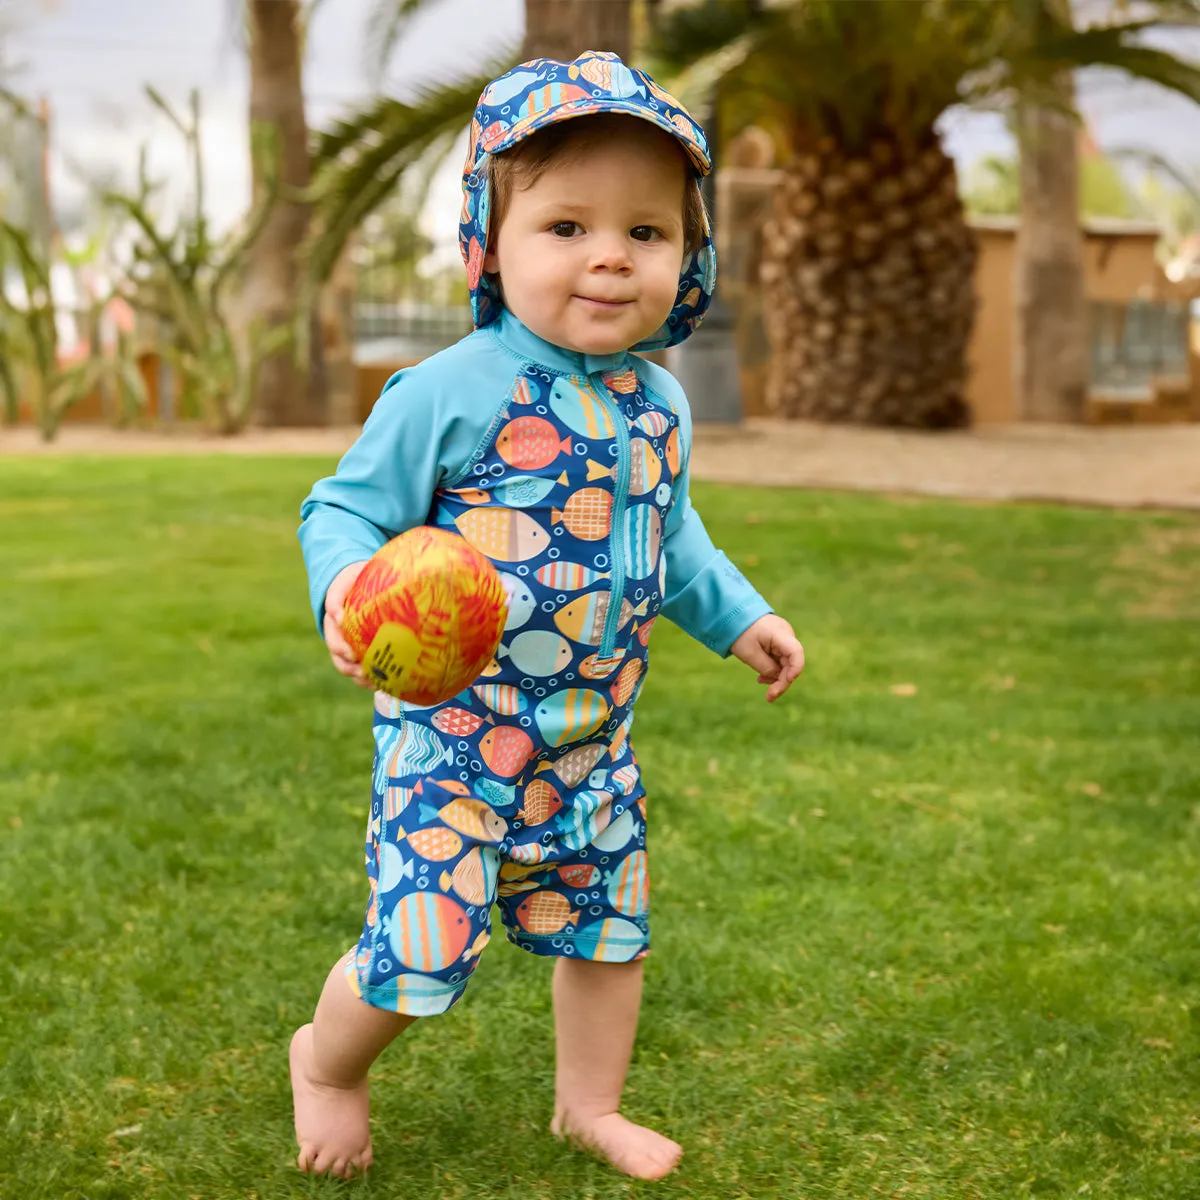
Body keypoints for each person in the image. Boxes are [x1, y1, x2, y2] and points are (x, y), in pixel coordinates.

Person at [293, 49, 805, 1182]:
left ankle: (589, 1106)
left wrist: (743, 617)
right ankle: (327, 1064)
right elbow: (341, 510)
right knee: (418, 954)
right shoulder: (450, 390)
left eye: (648, 232)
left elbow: (666, 539)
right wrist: (343, 587)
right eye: (566, 227)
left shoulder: (658, 402)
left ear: (691, 252)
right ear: (489, 241)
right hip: (453, 746)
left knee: (611, 935)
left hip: (592, 749)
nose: (611, 257)